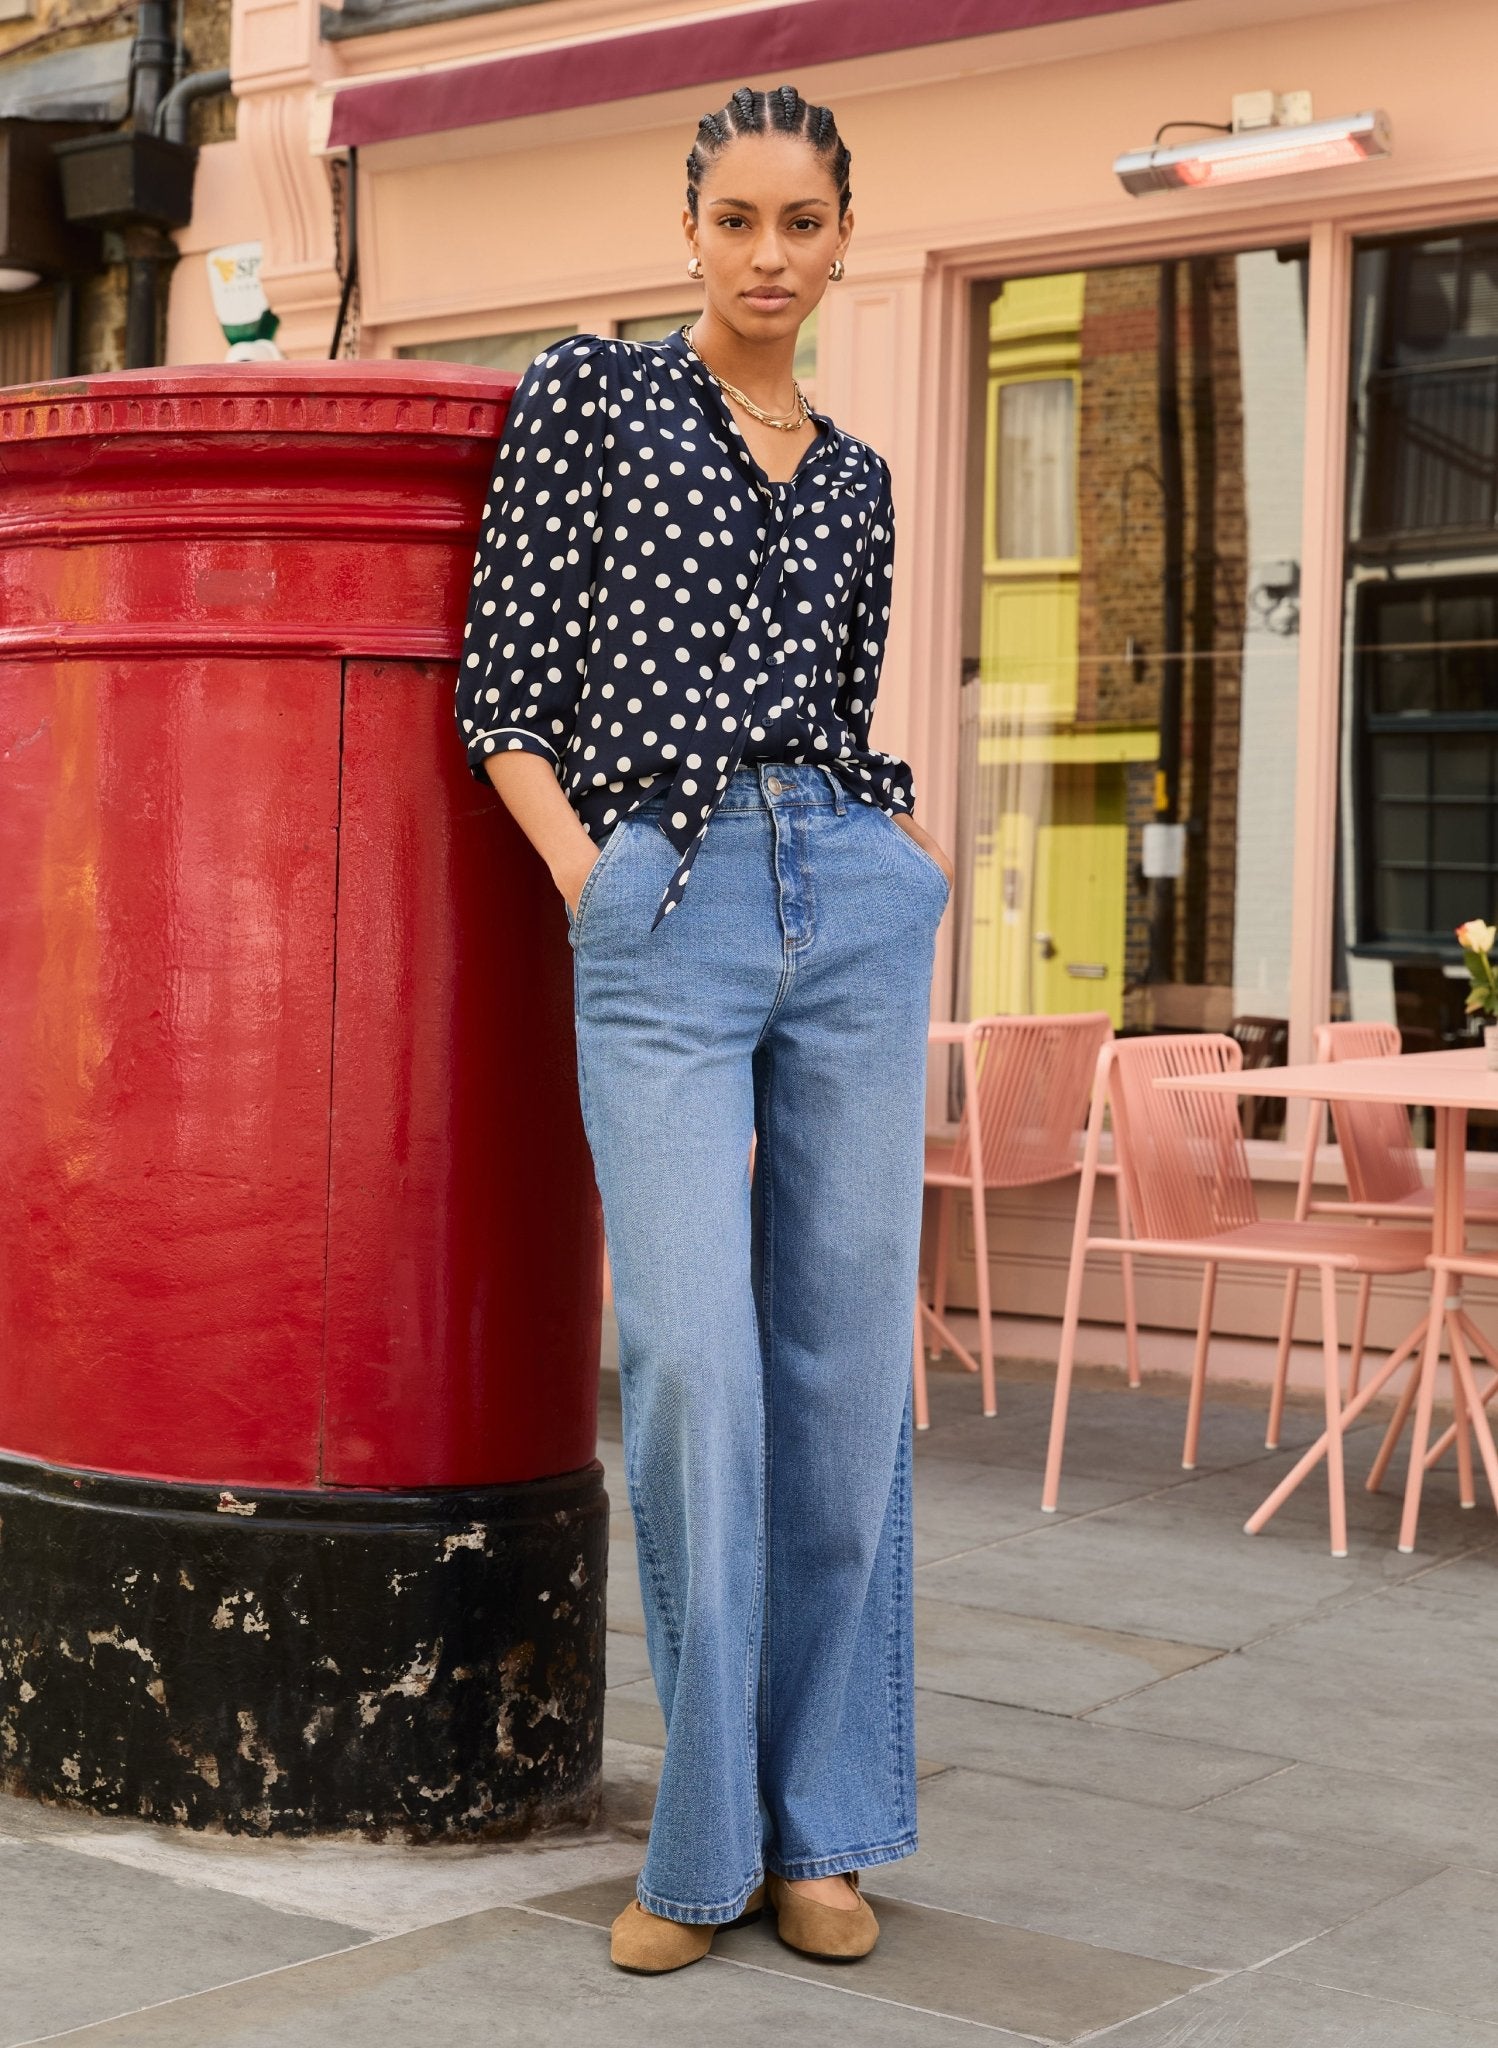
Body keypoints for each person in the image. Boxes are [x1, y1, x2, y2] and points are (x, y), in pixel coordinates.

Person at [454, 82, 952, 1975]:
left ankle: (824, 1827)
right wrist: (592, 875)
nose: (767, 255)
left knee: (836, 1371)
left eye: (800, 224)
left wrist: (900, 850)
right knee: (686, 1362)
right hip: (660, 899)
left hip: (848, 888)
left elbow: (840, 692)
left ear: (841, 241)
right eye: (736, 219)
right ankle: (697, 1842)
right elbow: (503, 680)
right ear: (688, 228)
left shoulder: (856, 477)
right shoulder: (586, 399)